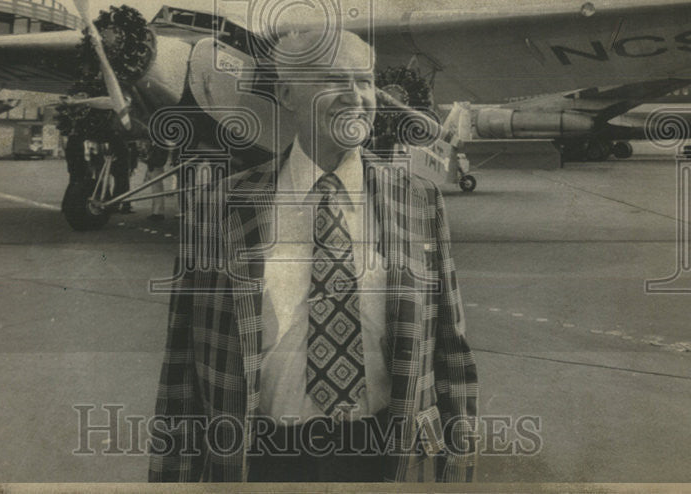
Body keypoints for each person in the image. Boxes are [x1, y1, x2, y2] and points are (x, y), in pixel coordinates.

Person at [149, 29, 477, 483]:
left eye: (364, 81)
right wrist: (172, 479)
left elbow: (451, 348)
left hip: (386, 454)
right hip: (259, 459)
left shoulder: (419, 200)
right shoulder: (217, 207)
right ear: (285, 93)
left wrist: (458, 461)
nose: (356, 96)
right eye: (333, 79)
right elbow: (182, 365)